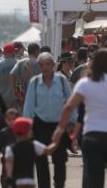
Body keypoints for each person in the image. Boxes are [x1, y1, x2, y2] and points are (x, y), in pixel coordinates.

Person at [52, 49, 107, 188]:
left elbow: (69, 107)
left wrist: (60, 128)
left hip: (92, 136)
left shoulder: (85, 83)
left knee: (94, 180)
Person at [23, 52, 76, 188]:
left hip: (59, 125)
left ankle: (59, 184)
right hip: (40, 125)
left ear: (53, 65)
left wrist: (72, 123)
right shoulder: (34, 82)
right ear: (39, 67)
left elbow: (70, 103)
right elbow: (28, 106)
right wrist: (26, 128)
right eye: (42, 65)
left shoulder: (62, 81)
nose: (45, 67)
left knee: (60, 160)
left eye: (48, 64)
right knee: (40, 160)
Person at [4, 117, 57, 188]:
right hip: (29, 181)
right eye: (30, 129)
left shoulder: (10, 148)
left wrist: (9, 177)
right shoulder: (34, 145)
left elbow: (9, 162)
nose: (32, 131)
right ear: (27, 132)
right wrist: (56, 141)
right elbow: (48, 150)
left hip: (16, 182)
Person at [0, 108, 19, 188]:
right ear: (5, 120)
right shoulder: (4, 132)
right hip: (6, 158)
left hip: (18, 159)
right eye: (9, 120)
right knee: (5, 176)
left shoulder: (20, 132)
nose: (11, 122)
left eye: (14, 119)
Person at [0, 43, 18, 108]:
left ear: (4, 53)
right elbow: (20, 81)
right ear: (12, 52)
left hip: (1, 98)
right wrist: (19, 95)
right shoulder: (19, 64)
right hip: (16, 97)